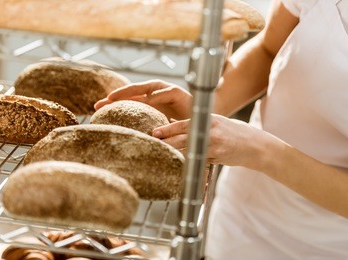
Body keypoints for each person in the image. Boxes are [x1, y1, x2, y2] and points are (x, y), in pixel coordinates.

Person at [95, 0, 348, 259]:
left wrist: (259, 150)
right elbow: (268, 50)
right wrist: (209, 106)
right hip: (241, 214)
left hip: (328, 246)